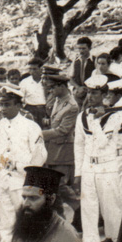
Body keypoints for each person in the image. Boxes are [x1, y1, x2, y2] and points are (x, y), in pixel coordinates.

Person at [0, 84, 48, 242]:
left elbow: (39, 155)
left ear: (19, 104)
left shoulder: (31, 126)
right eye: (1, 105)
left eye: (7, 104)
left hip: (22, 181)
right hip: (3, 179)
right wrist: (6, 165)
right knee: (6, 222)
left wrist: (21, 169)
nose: (3, 109)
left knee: (27, 221)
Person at [3, 166, 92, 242]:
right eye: (24, 197)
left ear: (51, 199)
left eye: (33, 198)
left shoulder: (67, 235)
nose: (26, 204)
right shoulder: (22, 228)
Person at [74, 75, 122, 242]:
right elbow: (79, 145)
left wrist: (96, 121)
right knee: (88, 209)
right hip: (89, 167)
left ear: (104, 94)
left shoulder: (115, 116)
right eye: (88, 92)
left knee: (111, 208)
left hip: (108, 166)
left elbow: (104, 143)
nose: (91, 96)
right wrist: (78, 173)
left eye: (95, 93)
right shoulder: (82, 117)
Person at [40, 70, 80, 229]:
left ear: (62, 86)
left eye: (53, 87)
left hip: (63, 149)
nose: (50, 90)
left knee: (60, 185)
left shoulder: (71, 105)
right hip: (53, 148)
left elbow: (63, 130)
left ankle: (79, 210)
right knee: (54, 187)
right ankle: (60, 220)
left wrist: (39, 134)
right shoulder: (58, 100)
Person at [20, 57, 48, 127]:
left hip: (45, 110)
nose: (32, 71)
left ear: (41, 69)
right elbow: (20, 99)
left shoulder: (47, 81)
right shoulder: (24, 82)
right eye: (30, 69)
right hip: (30, 110)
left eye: (34, 69)